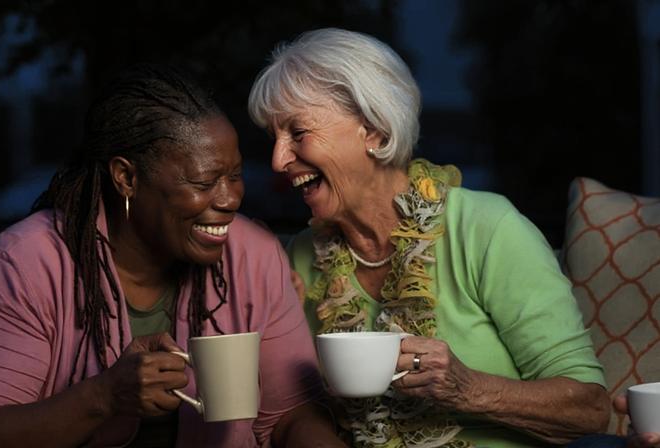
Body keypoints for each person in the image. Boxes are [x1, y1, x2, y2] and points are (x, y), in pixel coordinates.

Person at [0, 64, 344, 448]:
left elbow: (292, 414)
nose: (230, 198)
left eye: (234, 176)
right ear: (127, 178)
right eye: (204, 181)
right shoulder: (29, 261)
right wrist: (103, 397)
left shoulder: (253, 256)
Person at [247, 27, 614, 447]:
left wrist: (466, 388)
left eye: (297, 133)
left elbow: (591, 410)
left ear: (375, 131)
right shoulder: (300, 259)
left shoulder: (486, 229)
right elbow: (294, 414)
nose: (278, 161)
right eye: (273, 138)